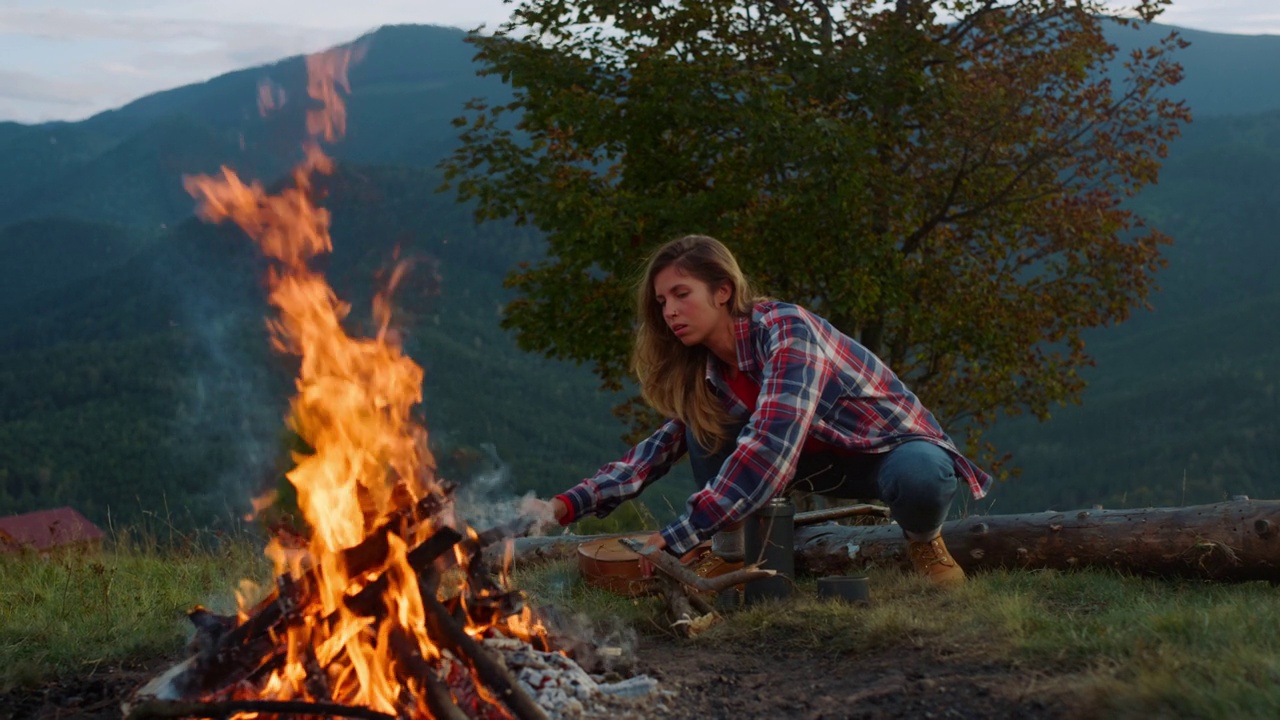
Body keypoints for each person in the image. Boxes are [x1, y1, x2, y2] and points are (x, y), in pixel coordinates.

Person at [539, 234, 991, 586]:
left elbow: (772, 445)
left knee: (922, 475)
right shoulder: (708, 369)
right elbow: (656, 451)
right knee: (701, 427)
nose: (669, 312)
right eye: (661, 302)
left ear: (722, 291)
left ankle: (923, 542)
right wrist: (565, 505)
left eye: (681, 294)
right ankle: (731, 551)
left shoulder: (786, 330)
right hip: (805, 464)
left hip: (882, 452)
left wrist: (678, 536)